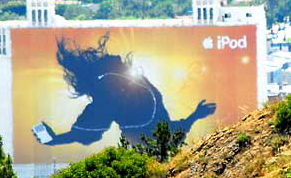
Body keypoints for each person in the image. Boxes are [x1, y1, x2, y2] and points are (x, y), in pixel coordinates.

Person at [33, 34, 216, 146]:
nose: (116, 56)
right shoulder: (109, 93)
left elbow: (166, 129)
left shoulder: (132, 82)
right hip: (144, 153)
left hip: (154, 149)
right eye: (111, 58)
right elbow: (88, 133)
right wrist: (55, 140)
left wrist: (195, 115)